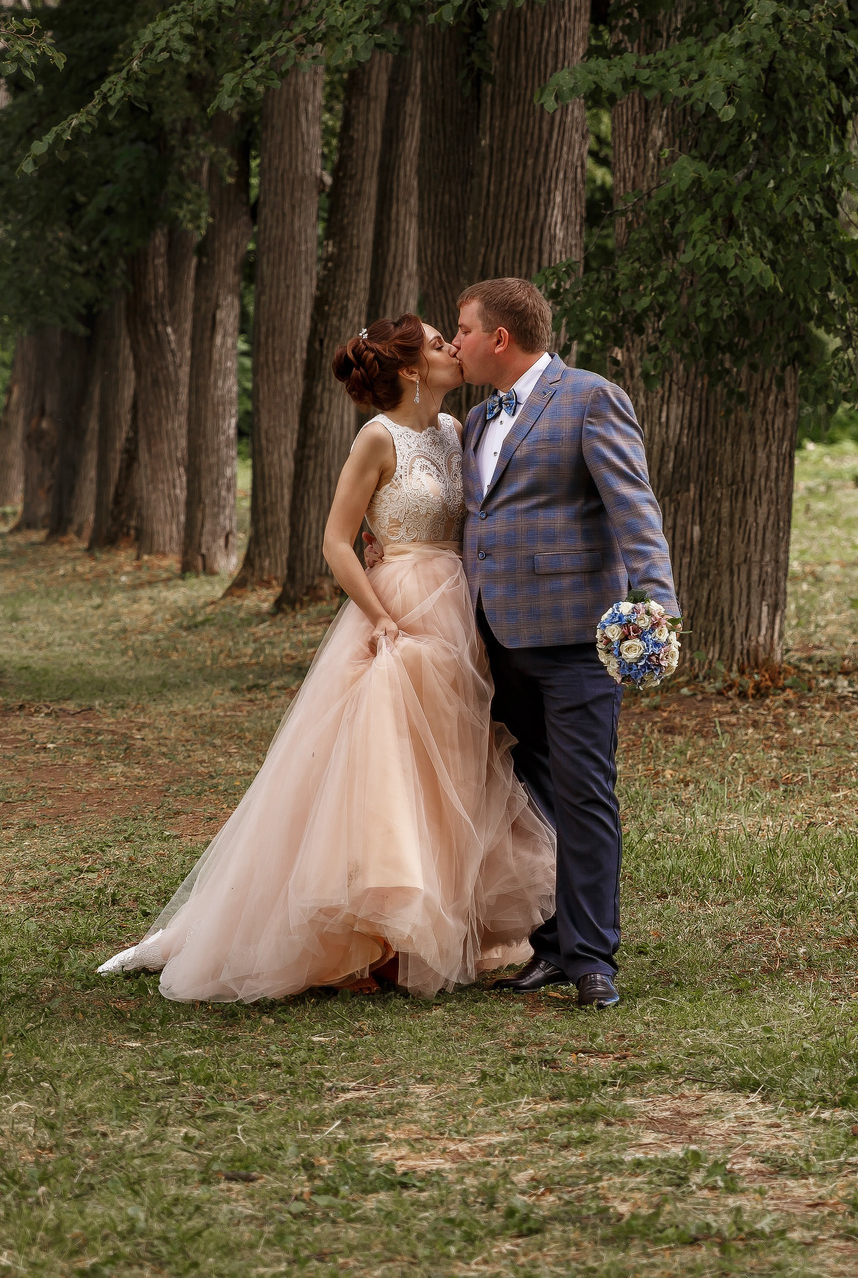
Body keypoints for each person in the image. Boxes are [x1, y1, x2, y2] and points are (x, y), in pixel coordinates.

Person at [96, 315, 556, 1001]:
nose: (450, 349)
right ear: (408, 369)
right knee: (384, 769)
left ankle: (429, 927)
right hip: (396, 607)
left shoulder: (458, 431)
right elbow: (337, 541)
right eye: (437, 343)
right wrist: (382, 617)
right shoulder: (378, 437)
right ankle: (363, 937)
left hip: (456, 610)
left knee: (454, 767)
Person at [454, 277, 680, 1012]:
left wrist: (657, 605)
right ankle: (551, 943)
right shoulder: (480, 416)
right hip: (497, 635)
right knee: (531, 791)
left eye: (463, 329)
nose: (454, 342)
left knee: (585, 793)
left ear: (499, 338)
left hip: (576, 634)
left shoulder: (590, 397)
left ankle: (592, 957)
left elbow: (634, 505)